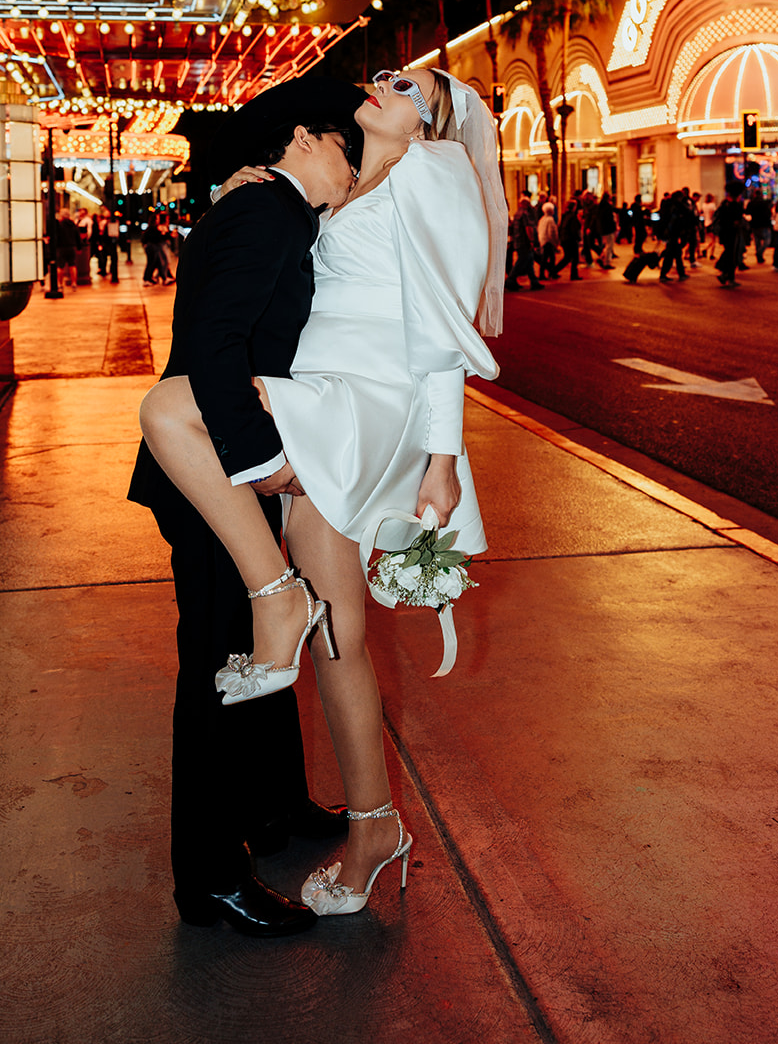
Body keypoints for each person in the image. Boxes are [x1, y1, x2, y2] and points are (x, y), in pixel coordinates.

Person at [138, 68, 506, 920]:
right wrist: (245, 185)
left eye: (406, 85)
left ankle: (273, 599)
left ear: (430, 123)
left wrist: (443, 463)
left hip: (364, 400)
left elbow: (443, 334)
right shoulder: (332, 189)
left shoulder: (434, 173)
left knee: (169, 406)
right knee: (341, 637)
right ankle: (376, 825)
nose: (381, 83)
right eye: (382, 75)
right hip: (317, 398)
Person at [129, 78, 364, 937]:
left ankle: (273, 811)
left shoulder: (276, 210)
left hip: (229, 465)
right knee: (219, 668)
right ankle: (209, 877)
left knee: (264, 646)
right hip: (211, 473)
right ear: (301, 139)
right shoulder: (265, 212)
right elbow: (212, 351)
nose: (352, 163)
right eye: (344, 145)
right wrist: (262, 461)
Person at [537, 201, 560, 279]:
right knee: (551, 258)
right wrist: (556, 241)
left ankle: (546, 273)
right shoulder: (550, 220)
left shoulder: (542, 219)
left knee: (545, 258)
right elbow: (552, 232)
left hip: (543, 240)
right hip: (549, 241)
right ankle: (551, 273)